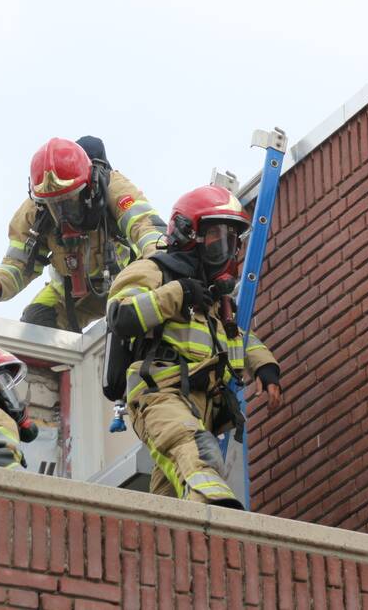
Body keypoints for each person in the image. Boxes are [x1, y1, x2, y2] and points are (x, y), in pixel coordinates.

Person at [105, 184, 284, 508]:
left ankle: (175, 546)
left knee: (170, 497)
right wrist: (178, 293)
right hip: (159, 390)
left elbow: (235, 336)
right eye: (217, 239)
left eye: (231, 241)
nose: (226, 251)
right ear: (189, 235)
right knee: (194, 445)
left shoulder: (213, 297)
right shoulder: (154, 270)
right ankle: (210, 507)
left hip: (201, 402)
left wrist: (266, 367)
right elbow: (122, 315)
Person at [0, 136, 166, 331]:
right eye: (53, 202)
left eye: (69, 198)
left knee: (128, 320)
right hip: (68, 290)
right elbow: (19, 263)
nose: (62, 210)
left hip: (122, 280)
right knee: (36, 323)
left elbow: (146, 226)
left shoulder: (112, 187)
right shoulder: (33, 211)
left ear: (88, 185)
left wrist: (163, 264)